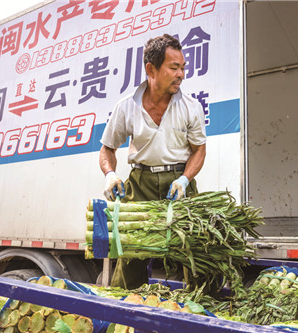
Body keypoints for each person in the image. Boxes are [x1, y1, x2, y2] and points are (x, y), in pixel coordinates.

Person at [99, 34, 207, 289]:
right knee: (131, 253)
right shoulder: (126, 107)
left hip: (178, 184)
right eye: (174, 67)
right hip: (141, 183)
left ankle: (200, 312)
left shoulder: (191, 107)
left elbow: (199, 151)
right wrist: (110, 174)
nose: (181, 74)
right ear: (151, 69)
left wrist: (184, 179)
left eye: (183, 67)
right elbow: (107, 149)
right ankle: (125, 314)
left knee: (196, 252)